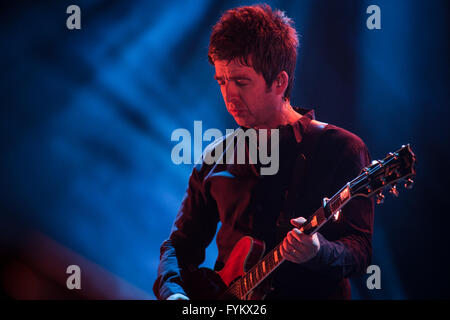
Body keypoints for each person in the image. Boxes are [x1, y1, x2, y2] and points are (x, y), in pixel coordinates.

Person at [154, 4, 374, 300]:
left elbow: (359, 252)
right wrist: (175, 295)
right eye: (222, 81)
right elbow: (178, 247)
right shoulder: (216, 158)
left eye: (241, 82)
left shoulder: (340, 149)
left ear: (280, 82)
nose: (229, 96)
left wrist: (319, 251)